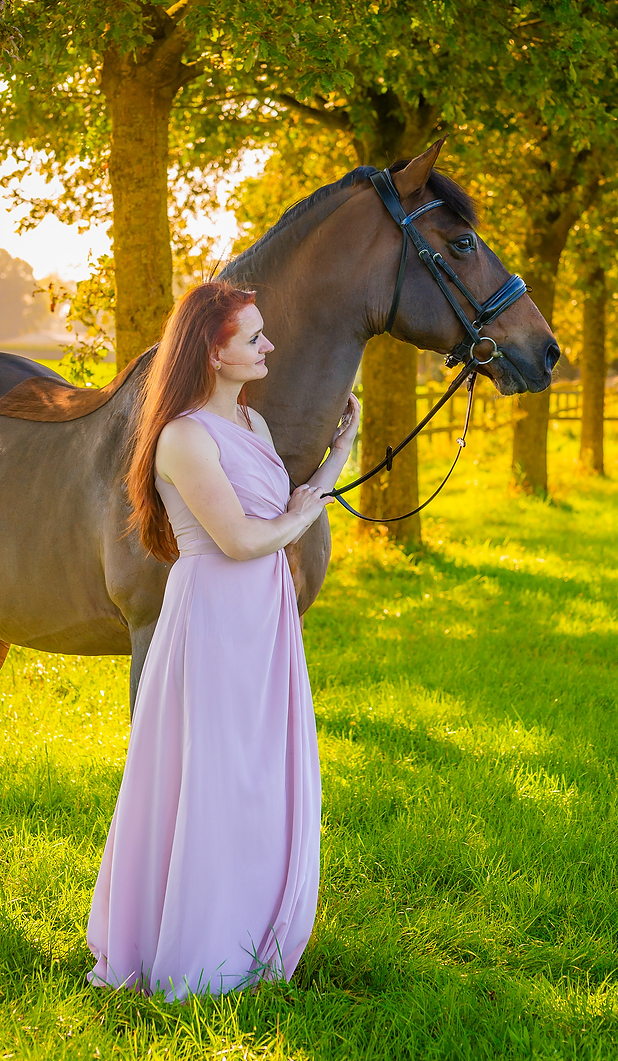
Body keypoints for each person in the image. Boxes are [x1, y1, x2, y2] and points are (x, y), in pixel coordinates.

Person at [86, 281, 359, 1001]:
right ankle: (196, 945)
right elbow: (241, 540)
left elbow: (291, 507)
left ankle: (255, 929)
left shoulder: (253, 426)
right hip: (212, 618)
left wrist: (341, 452)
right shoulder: (182, 435)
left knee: (259, 773)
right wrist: (299, 521)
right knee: (211, 777)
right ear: (213, 350)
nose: (268, 345)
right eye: (253, 338)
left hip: (263, 620)